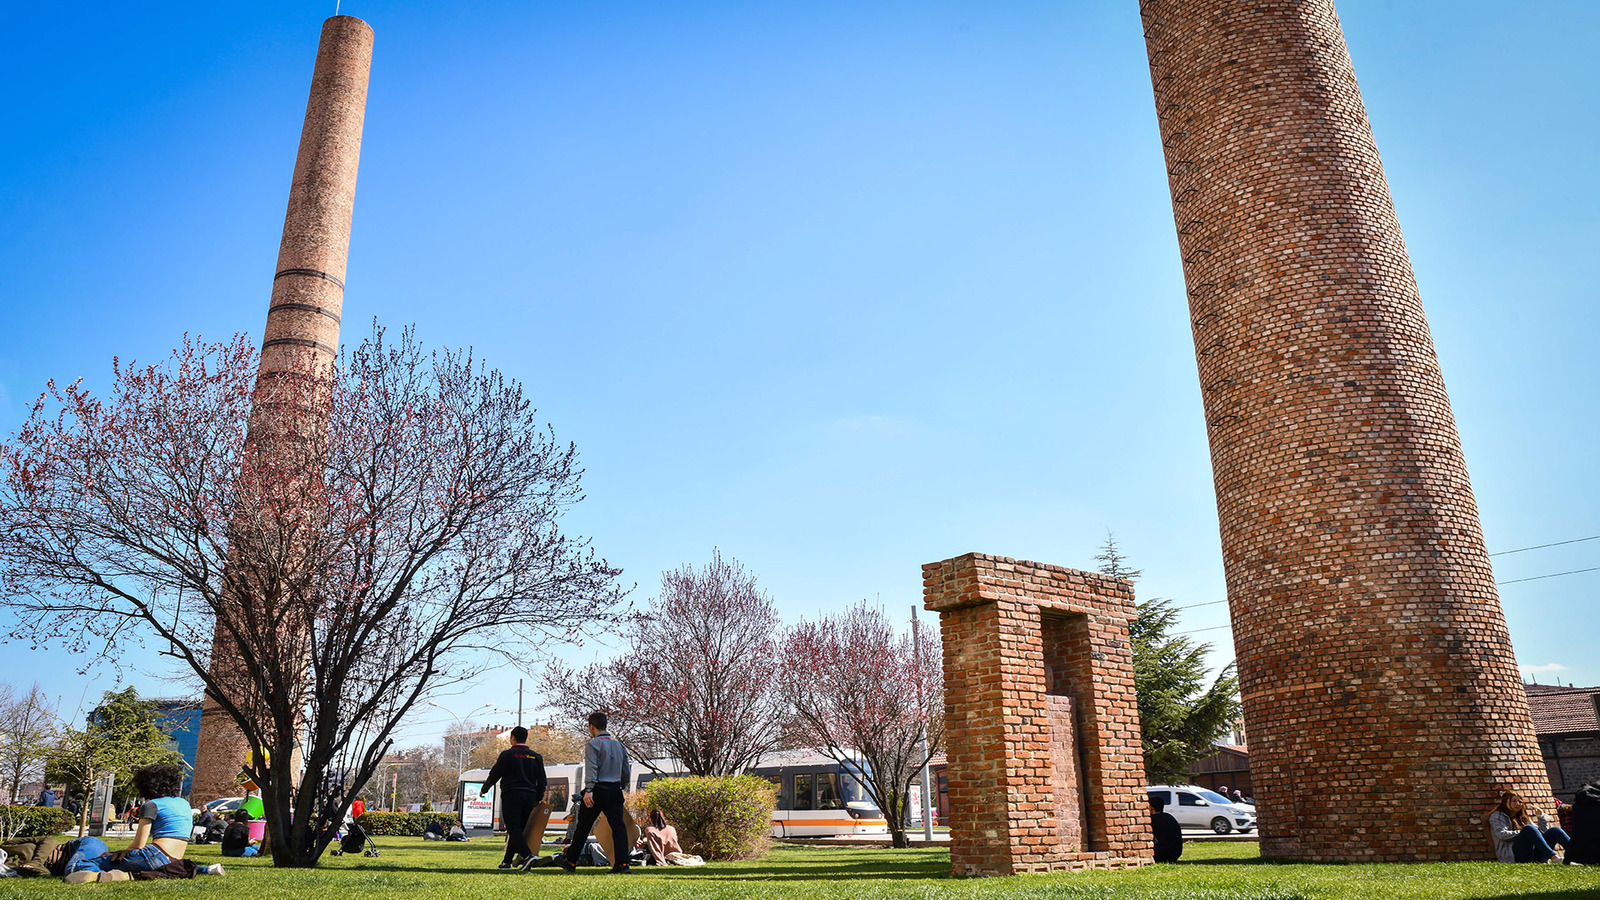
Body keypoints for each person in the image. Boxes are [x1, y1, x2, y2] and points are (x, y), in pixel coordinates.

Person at [57, 764, 225, 883]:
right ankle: (123, 875)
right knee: (131, 863)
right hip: (174, 858)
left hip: (154, 855)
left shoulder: (152, 805)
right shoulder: (184, 803)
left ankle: (97, 874)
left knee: (85, 863)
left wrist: (122, 853)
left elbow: (139, 844)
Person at [556, 712, 632, 874]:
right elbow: (626, 770)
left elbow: (592, 769)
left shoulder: (593, 745)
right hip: (614, 790)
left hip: (597, 790)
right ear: (605, 725)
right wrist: (621, 785)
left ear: (591, 726)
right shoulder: (619, 745)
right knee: (619, 827)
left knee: (583, 826)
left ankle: (570, 861)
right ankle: (623, 864)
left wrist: (589, 790)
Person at [482, 725, 547, 870]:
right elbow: (542, 780)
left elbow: (495, 773)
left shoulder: (507, 755)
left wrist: (485, 789)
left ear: (512, 738)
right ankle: (506, 862)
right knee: (518, 829)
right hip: (530, 796)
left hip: (512, 794)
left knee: (512, 827)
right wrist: (538, 797)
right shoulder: (536, 757)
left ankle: (528, 856)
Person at [1489, 790, 1571, 863]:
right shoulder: (1497, 816)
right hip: (1515, 856)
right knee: (1528, 828)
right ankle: (1553, 857)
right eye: (1514, 801)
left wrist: (1541, 818)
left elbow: (1541, 835)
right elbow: (1501, 834)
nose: (1518, 804)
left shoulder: (1523, 817)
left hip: (1535, 855)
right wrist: (1523, 833)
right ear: (1505, 802)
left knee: (1555, 830)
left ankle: (1576, 854)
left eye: (1520, 802)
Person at [1151, 796, 1183, 863]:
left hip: (1162, 854)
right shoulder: (1169, 817)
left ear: (1151, 808)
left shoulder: (1153, 819)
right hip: (1175, 853)